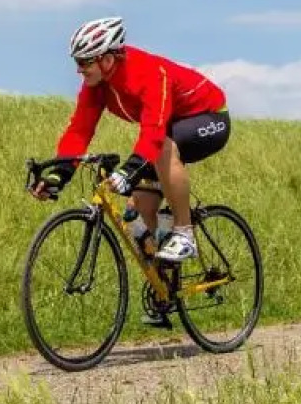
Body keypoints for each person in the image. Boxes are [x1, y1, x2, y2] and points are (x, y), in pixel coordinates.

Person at [29, 15, 232, 305]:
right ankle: (165, 293)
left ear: (107, 59)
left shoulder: (148, 72)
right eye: (77, 61)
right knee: (138, 208)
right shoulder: (95, 86)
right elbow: (79, 131)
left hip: (208, 117)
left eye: (84, 62)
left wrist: (129, 170)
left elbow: (154, 132)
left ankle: (184, 232)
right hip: (168, 126)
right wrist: (58, 175)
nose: (78, 69)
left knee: (163, 148)